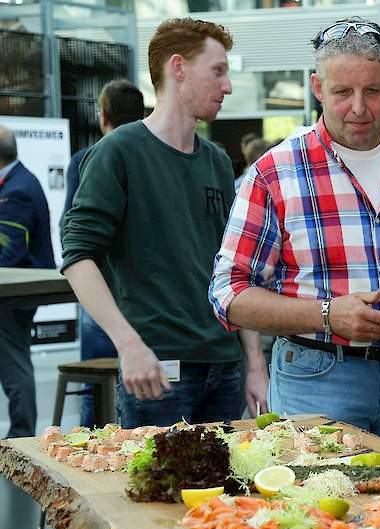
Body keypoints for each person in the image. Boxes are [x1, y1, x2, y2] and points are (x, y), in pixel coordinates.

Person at [208, 17, 380, 442]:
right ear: (317, 88)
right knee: (317, 503)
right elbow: (228, 293)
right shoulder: (275, 173)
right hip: (317, 376)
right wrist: (326, 315)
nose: (359, 108)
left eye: (372, 91)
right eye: (342, 92)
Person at [61, 18, 266, 428]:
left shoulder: (217, 161)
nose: (227, 86)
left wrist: (255, 362)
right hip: (157, 367)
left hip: (225, 366)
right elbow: (78, 257)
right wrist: (128, 344)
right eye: (218, 71)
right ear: (179, 67)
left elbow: (235, 269)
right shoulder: (117, 152)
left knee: (224, 491)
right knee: (158, 492)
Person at [60, 79, 144, 428]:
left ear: (103, 116)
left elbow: (71, 232)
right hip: (144, 296)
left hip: (100, 291)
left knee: (94, 388)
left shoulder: (84, 159)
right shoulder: (151, 156)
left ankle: (91, 447)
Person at [0, 125, 55, 438]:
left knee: (14, 366)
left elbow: (8, 249)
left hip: (13, 293)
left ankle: (21, 437)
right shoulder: (18, 181)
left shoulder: (17, 189)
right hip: (16, 292)